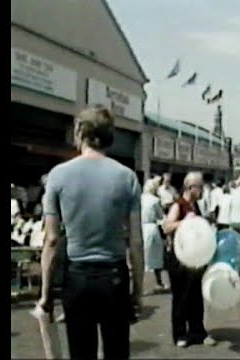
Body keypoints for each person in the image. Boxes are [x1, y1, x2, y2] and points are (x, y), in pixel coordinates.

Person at [38, 105, 144, 359]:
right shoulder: (127, 177)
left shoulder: (58, 176)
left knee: (80, 351)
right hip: (114, 276)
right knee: (117, 351)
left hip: (77, 278)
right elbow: (136, 242)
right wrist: (138, 291)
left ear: (80, 132)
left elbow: (51, 240)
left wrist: (45, 293)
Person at [162, 172, 216, 348]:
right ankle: (180, 334)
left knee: (195, 296)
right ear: (190, 187)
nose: (202, 190)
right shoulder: (178, 205)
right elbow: (166, 227)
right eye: (200, 187)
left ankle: (198, 331)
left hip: (195, 259)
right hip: (178, 259)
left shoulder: (196, 205)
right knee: (181, 296)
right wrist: (184, 222)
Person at [141, 176, 168, 293]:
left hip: (141, 227)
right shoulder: (155, 200)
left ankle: (139, 285)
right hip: (152, 228)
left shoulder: (139, 198)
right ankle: (159, 282)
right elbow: (161, 216)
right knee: (156, 256)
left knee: (142, 256)